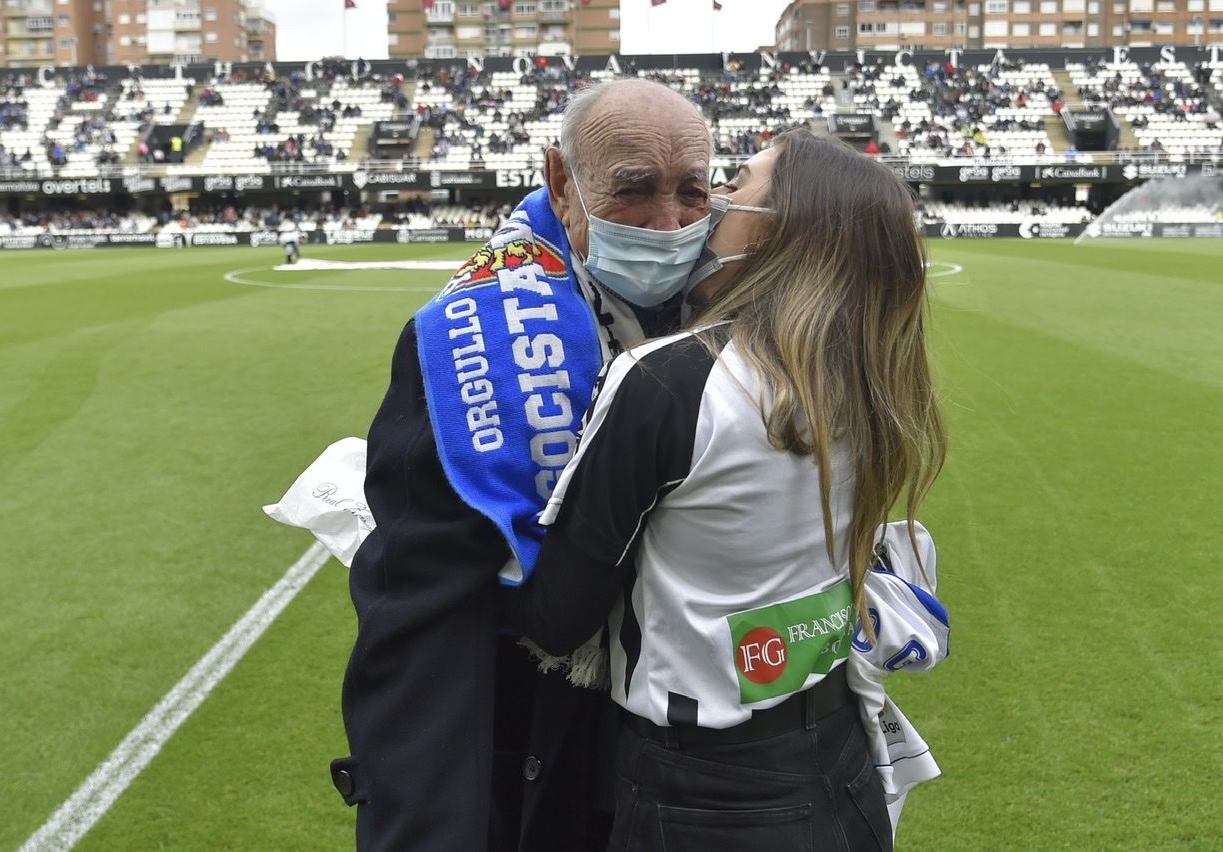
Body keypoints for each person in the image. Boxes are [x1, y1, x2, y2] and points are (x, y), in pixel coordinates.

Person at [506, 130, 948, 851]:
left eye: (735, 189)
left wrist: (390, 530)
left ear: (784, 231)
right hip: (842, 760)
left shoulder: (671, 380)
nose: (710, 208)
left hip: (703, 797)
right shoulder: (868, 376)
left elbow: (556, 618)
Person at [331, 78, 715, 852]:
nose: (670, 224)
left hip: (682, 763)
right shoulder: (471, 334)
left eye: (693, 192)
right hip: (542, 751)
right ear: (561, 183)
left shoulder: (729, 307)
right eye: (634, 190)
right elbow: (422, 606)